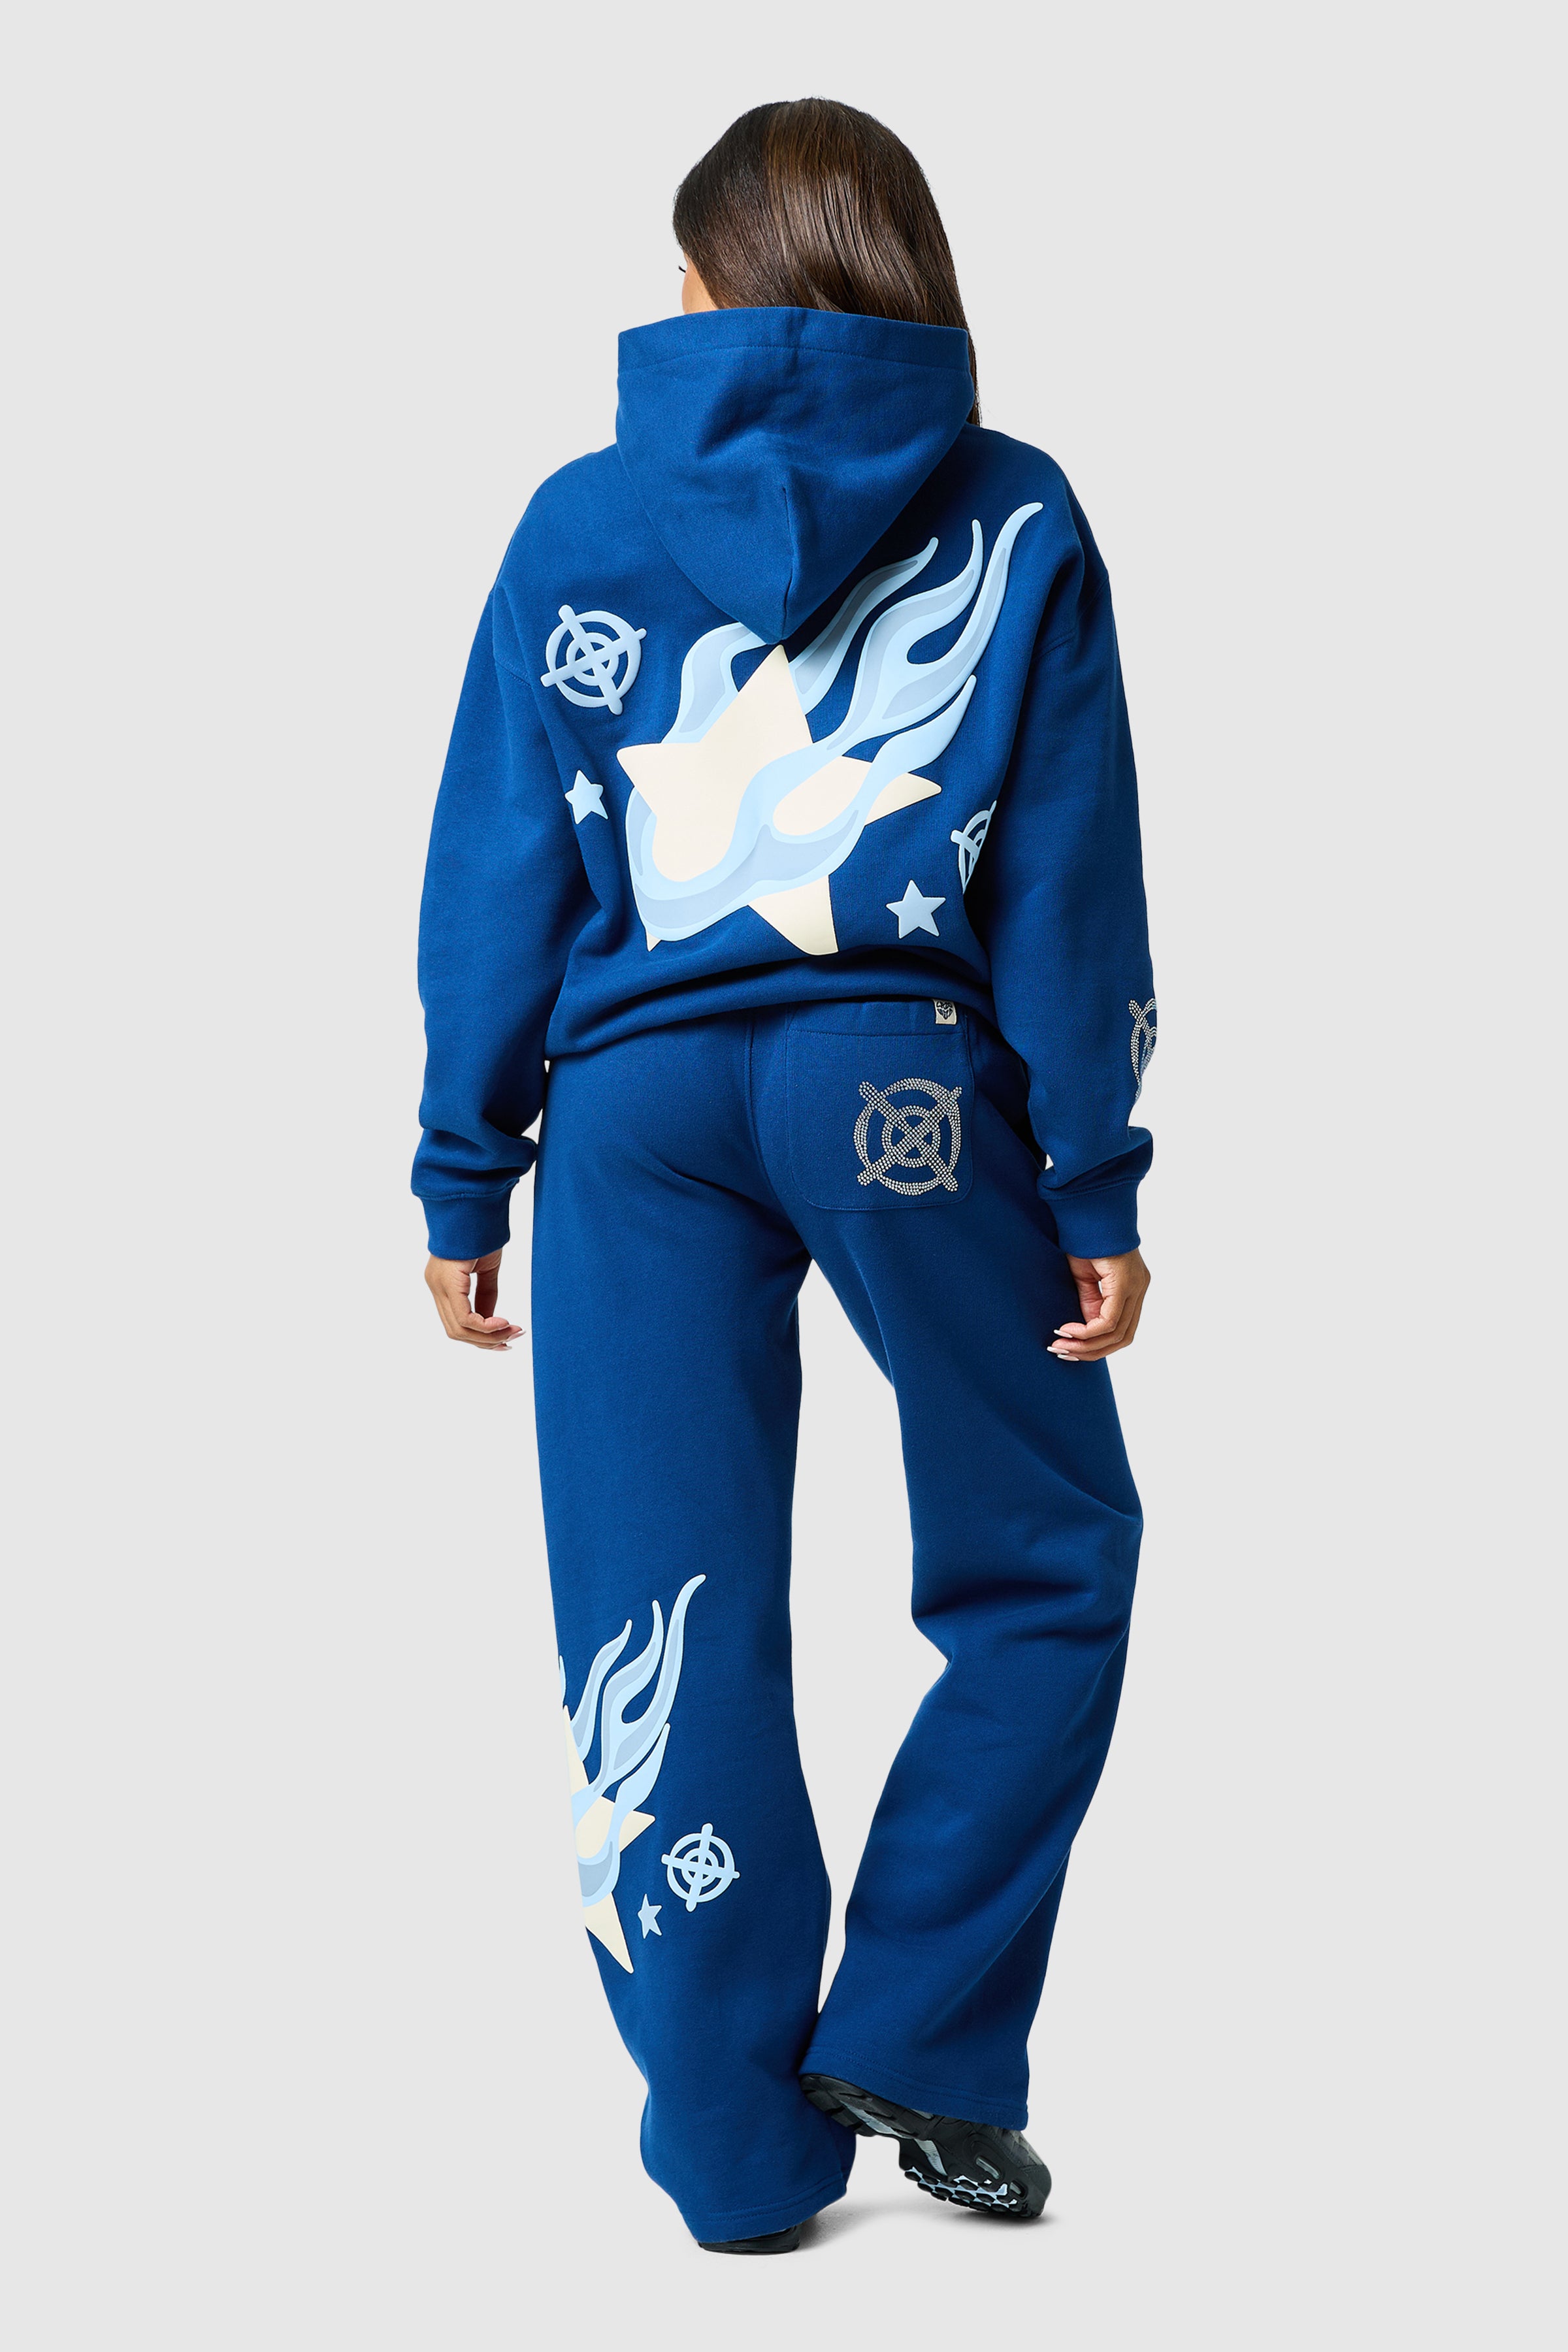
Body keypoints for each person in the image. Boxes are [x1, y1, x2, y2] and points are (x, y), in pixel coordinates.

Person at [414, 97, 1155, 2254]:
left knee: (662, 1609)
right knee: (1046, 1548)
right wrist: (1095, 1176)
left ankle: (738, 2155)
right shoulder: (1016, 509)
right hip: (892, 1093)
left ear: (715, 277)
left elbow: (497, 865)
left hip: (631, 1118)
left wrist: (466, 1166)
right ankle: (921, 2029)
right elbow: (1069, 883)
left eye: (676, 268)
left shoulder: (579, 516)